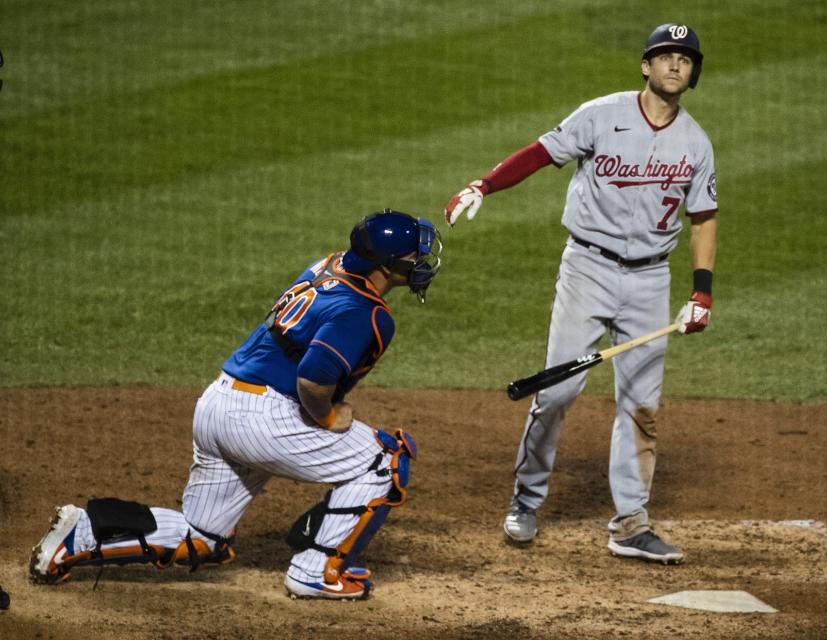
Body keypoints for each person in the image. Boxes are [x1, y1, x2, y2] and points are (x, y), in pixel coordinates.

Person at [29, 209, 442, 599]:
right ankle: (316, 572)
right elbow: (313, 381)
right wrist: (330, 415)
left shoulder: (329, 264)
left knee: (201, 537)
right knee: (385, 459)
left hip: (218, 404)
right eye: (414, 255)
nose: (422, 260)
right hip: (266, 420)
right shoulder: (365, 312)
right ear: (386, 266)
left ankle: (80, 533)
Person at [444, 23, 717, 563]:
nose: (673, 66)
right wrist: (484, 184)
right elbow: (542, 152)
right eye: (664, 56)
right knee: (558, 391)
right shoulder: (601, 114)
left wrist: (701, 292)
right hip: (588, 269)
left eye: (684, 60)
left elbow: (704, 218)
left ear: (693, 73)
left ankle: (631, 524)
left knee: (641, 405)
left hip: (650, 279)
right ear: (646, 65)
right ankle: (525, 501)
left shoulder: (696, 143)